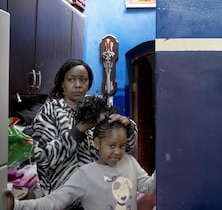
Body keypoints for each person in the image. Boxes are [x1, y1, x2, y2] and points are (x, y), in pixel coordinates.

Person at [29, 59, 137, 209]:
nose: (78, 85)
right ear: (62, 83)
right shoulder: (49, 112)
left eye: (83, 80)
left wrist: (127, 127)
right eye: (71, 79)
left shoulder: (97, 108)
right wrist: (77, 132)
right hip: (64, 201)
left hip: (99, 197)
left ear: (89, 83)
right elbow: (43, 157)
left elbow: (126, 146)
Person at [4, 117, 156, 210]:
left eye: (122, 146)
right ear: (97, 142)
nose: (117, 152)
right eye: (112, 145)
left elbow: (148, 187)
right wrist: (18, 206)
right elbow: (54, 202)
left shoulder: (130, 162)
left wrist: (167, 164)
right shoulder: (85, 175)